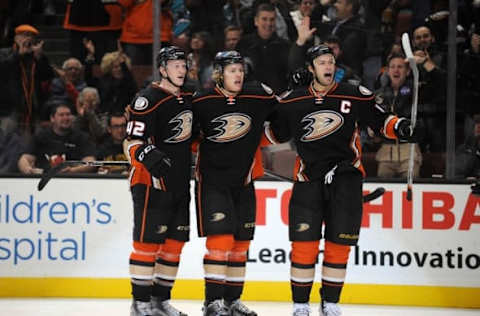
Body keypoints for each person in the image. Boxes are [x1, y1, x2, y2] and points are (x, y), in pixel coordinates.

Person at [266, 45, 422, 316]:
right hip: (308, 180)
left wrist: (400, 126)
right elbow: (275, 133)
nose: (328, 66)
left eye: (331, 61)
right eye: (322, 62)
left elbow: (381, 119)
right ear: (311, 68)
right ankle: (301, 306)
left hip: (346, 179)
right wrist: (277, 99)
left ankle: (331, 304)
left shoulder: (353, 93)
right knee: (304, 247)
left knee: (339, 246)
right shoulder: (294, 99)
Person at [192, 50, 277, 316]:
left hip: (244, 181)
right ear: (219, 74)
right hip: (213, 182)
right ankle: (212, 302)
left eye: (240, 69)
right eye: (232, 70)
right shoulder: (202, 101)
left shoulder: (257, 96)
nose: (238, 74)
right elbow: (187, 135)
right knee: (221, 241)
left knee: (241, 244)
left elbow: (284, 116)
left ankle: (231, 301)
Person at [122, 46, 192, 316]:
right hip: (150, 182)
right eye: (175, 65)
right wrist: (146, 153)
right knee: (147, 244)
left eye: (183, 65)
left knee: (174, 245)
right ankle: (140, 304)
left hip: (179, 182)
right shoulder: (147, 99)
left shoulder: (188, 97)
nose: (181, 70)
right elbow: (130, 141)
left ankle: (159, 302)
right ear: (163, 69)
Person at [374, 53, 422, 178]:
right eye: (392, 67)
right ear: (387, 71)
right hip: (386, 150)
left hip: (409, 150)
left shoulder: (417, 90)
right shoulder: (379, 94)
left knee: (409, 192)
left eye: (400, 67)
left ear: (407, 71)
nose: (396, 70)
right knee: (384, 192)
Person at [17, 103, 96, 175]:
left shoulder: (82, 137)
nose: (66, 118)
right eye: (61, 115)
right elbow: (24, 159)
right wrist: (28, 170)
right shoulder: (40, 137)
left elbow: (91, 162)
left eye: (68, 115)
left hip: (72, 180)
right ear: (52, 118)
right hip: (43, 180)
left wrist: (72, 170)